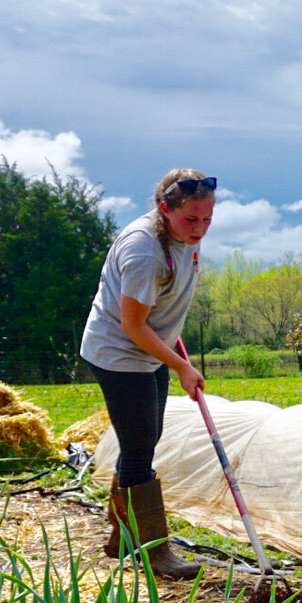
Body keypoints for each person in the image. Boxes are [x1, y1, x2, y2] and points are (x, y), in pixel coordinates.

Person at [80, 168, 215, 579]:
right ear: (164, 209)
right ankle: (154, 552)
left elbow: (161, 309)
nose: (199, 229)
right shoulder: (144, 252)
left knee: (145, 438)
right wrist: (182, 367)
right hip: (119, 353)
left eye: (207, 219)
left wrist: (172, 349)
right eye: (190, 220)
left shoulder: (183, 240)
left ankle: (122, 537)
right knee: (139, 449)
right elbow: (133, 325)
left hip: (150, 349)